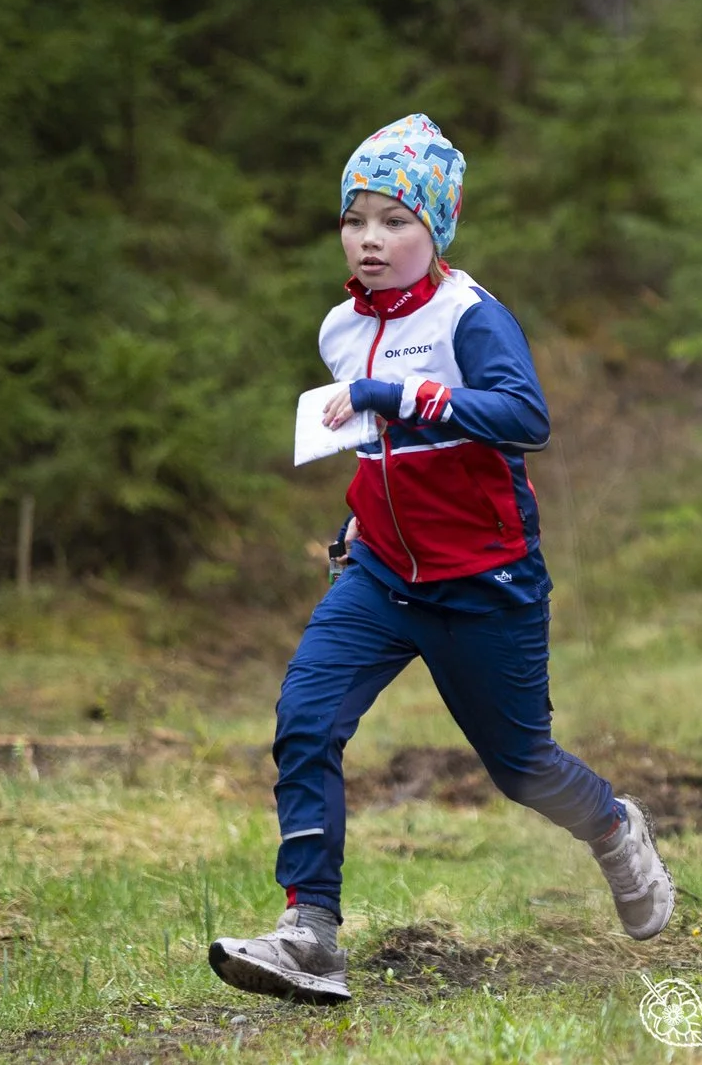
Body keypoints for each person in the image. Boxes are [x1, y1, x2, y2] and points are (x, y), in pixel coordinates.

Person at [208, 113, 673, 1005]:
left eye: (395, 221)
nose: (371, 240)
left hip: (485, 583)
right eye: (356, 219)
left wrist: (400, 393)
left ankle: (614, 829)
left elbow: (524, 418)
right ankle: (310, 935)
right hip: (382, 578)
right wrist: (357, 526)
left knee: (522, 767)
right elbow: (379, 452)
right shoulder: (339, 328)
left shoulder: (470, 315)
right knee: (306, 719)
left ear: (437, 229)